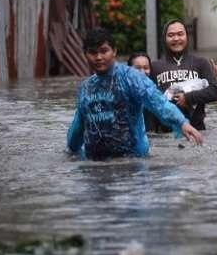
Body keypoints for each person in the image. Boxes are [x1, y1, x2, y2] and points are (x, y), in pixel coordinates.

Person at [67, 28, 203, 160]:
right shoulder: (86, 87)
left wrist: (182, 123)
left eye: (104, 51)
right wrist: (71, 150)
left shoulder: (130, 77)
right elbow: (79, 123)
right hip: (95, 166)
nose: (98, 57)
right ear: (85, 54)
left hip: (132, 162)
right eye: (92, 52)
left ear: (114, 51)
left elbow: (157, 101)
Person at [150, 19, 217, 131]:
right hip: (166, 133)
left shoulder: (201, 63)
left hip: (197, 130)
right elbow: (149, 101)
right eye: (171, 35)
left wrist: (188, 98)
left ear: (187, 36)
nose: (176, 39)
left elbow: (215, 91)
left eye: (180, 34)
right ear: (164, 39)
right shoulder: (154, 66)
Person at [127, 52, 156, 132]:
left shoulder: (154, 94)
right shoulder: (121, 92)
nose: (142, 72)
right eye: (137, 68)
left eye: (146, 68)